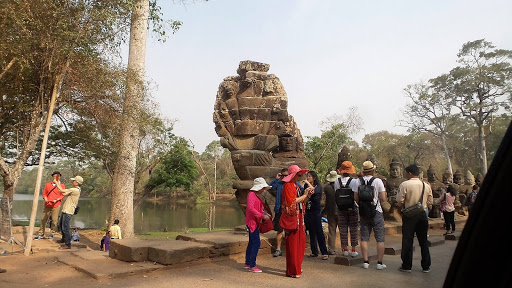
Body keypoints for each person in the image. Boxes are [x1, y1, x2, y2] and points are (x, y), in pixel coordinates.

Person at [396, 164, 433, 273]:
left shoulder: (405, 184)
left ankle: (407, 265)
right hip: (422, 214)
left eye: (406, 173)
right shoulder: (426, 185)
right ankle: (426, 265)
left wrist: (405, 204)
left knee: (408, 240)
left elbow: (399, 200)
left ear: (410, 173)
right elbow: (430, 201)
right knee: (423, 241)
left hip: (409, 215)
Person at [354, 161, 387, 270]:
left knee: (364, 237)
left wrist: (363, 205)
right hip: (376, 211)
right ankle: (379, 263)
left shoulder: (357, 181)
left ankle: (365, 262)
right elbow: (383, 198)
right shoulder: (378, 181)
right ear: (373, 170)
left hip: (363, 211)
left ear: (363, 170)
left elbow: (356, 198)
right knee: (380, 238)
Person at [282, 165, 313, 278]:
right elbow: (292, 202)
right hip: (293, 217)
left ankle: (297, 267)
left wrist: (307, 195)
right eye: (299, 175)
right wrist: (304, 195)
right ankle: (293, 270)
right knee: (293, 244)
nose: (300, 177)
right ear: (294, 175)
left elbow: (302, 201)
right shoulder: (288, 186)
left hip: (299, 216)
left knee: (300, 242)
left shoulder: (297, 186)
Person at [244, 177, 272, 273]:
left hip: (254, 222)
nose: (263, 190)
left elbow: (257, 208)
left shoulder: (254, 195)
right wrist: (262, 216)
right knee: (256, 242)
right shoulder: (251, 195)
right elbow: (251, 209)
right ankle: (252, 265)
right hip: (252, 222)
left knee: (252, 242)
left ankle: (248, 263)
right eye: (263, 188)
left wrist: (264, 213)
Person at [334, 161, 360, 257]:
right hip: (352, 207)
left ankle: (345, 249)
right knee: (353, 228)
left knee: (343, 228)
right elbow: (356, 193)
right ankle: (353, 250)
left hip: (341, 208)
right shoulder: (355, 181)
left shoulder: (337, 181)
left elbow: (336, 192)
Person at [304, 171, 329, 260]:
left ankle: (324, 252)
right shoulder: (306, 186)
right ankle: (314, 251)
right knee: (311, 232)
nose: (307, 178)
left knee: (319, 231)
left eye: (309, 176)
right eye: (307, 176)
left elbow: (314, 191)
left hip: (316, 211)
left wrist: (307, 183)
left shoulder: (318, 186)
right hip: (308, 211)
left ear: (314, 178)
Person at [54, 175, 82, 249]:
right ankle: (64, 239)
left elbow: (62, 191)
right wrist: (58, 185)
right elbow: (63, 193)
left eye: (74, 181)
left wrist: (57, 183)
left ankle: (67, 244)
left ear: (77, 183)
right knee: (60, 225)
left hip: (68, 210)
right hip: (66, 209)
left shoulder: (75, 190)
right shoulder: (75, 190)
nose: (72, 182)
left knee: (65, 227)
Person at [35, 171, 65, 240]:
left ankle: (52, 233)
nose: (55, 178)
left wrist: (57, 200)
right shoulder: (48, 185)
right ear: (52, 177)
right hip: (48, 204)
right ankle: (41, 233)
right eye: (54, 176)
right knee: (43, 219)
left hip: (56, 204)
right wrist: (45, 199)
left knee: (54, 220)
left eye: (57, 177)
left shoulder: (62, 186)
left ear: (59, 177)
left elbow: (62, 195)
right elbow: (44, 193)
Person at [269, 168, 289, 257]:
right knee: (279, 230)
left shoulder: (293, 184)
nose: (284, 177)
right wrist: (276, 178)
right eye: (283, 175)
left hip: (288, 211)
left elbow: (301, 191)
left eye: (286, 175)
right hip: (279, 210)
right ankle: (278, 249)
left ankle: (289, 249)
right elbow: (270, 187)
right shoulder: (279, 184)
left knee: (289, 231)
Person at [322, 171, 339, 255]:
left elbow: (324, 201)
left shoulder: (327, 188)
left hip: (330, 211)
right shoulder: (340, 186)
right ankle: (345, 249)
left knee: (331, 230)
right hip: (340, 211)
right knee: (343, 230)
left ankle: (331, 249)